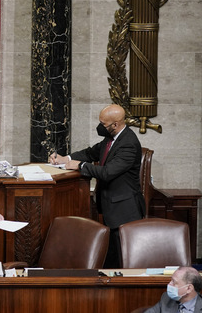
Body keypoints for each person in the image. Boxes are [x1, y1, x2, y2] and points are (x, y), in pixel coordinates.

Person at [49, 104, 145, 268]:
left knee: (120, 260)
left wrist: (79, 166)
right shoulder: (111, 138)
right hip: (110, 205)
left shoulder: (128, 143)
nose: (100, 127)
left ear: (115, 125)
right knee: (110, 257)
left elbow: (108, 172)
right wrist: (65, 158)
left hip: (124, 209)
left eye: (104, 124)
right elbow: (90, 153)